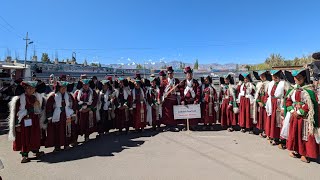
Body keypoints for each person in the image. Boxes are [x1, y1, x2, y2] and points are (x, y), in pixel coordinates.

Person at [282, 69, 320, 163]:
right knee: (295, 133)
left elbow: (311, 104)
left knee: (305, 135)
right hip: (294, 116)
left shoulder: (309, 90)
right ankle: (296, 151)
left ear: (304, 78)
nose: (297, 79)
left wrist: (300, 112)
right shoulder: (293, 89)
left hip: (305, 117)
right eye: (296, 78)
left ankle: (305, 154)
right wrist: (291, 110)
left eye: (299, 77)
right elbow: (288, 101)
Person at [8, 81, 46, 163]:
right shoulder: (20, 99)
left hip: (34, 120)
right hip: (24, 121)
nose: (30, 90)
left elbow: (39, 109)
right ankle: (24, 155)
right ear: (25, 89)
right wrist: (17, 125)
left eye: (32, 88)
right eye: (28, 88)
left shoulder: (36, 97)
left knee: (35, 136)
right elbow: (16, 113)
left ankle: (35, 150)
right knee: (25, 137)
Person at [45, 81, 77, 151]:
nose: (63, 89)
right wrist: (49, 117)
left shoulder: (69, 96)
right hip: (57, 116)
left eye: (65, 87)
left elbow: (73, 105)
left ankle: (66, 144)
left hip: (67, 114)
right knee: (57, 131)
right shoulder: (53, 96)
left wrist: (73, 114)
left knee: (67, 130)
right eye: (62, 87)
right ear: (58, 88)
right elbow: (49, 107)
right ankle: (57, 146)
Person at [265, 70, 287, 146]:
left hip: (279, 104)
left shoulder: (283, 84)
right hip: (272, 103)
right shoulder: (271, 84)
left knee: (280, 121)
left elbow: (286, 96)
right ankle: (275, 138)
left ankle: (283, 139)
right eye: (273, 76)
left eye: (276, 76)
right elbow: (268, 94)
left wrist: (283, 107)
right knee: (273, 121)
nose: (274, 78)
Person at [160, 66, 181, 132]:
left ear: (173, 73)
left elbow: (180, 90)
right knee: (167, 113)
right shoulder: (164, 82)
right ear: (167, 74)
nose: (170, 74)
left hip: (174, 99)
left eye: (171, 73)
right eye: (168, 73)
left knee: (173, 113)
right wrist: (162, 97)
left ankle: (174, 125)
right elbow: (161, 91)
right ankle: (167, 126)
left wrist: (177, 90)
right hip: (167, 100)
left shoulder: (176, 81)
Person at [180, 66, 201, 130]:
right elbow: (181, 92)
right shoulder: (183, 82)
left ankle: (193, 126)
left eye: (190, 73)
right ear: (186, 74)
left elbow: (198, 92)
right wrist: (182, 100)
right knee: (185, 114)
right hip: (186, 101)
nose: (189, 74)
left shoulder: (195, 82)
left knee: (193, 114)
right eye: (187, 73)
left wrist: (196, 100)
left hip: (193, 100)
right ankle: (186, 126)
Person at [253, 70, 271, 137]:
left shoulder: (269, 84)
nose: (262, 77)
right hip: (260, 100)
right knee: (261, 117)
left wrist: (265, 103)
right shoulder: (259, 84)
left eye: (263, 76)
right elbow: (257, 94)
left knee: (266, 117)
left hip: (266, 101)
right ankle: (263, 130)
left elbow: (269, 94)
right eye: (261, 76)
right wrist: (258, 101)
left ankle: (267, 131)